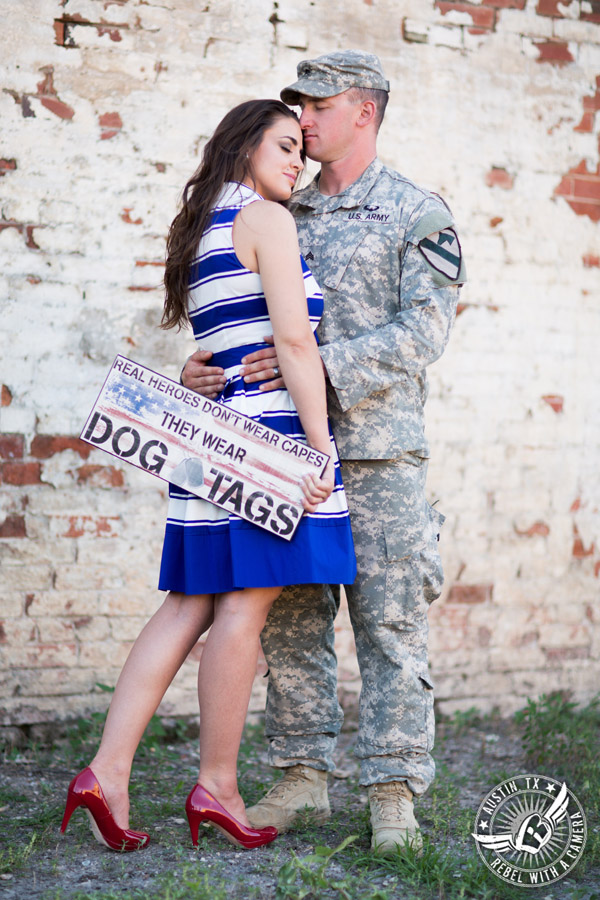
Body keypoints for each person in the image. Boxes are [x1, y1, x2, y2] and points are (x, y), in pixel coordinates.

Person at [181, 51, 466, 856]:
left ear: (364, 111)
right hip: (279, 453)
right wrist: (208, 370)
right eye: (296, 106)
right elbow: (241, 312)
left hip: (376, 454)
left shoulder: (417, 211)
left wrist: (320, 359)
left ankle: (392, 790)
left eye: (319, 104)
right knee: (292, 624)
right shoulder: (281, 206)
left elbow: (426, 332)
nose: (303, 120)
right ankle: (302, 774)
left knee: (390, 622)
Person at [60, 99, 356, 853]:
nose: (297, 161)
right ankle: (218, 786)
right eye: (285, 146)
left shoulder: (200, 229)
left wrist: (201, 373)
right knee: (240, 612)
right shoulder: (266, 219)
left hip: (209, 438)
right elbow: (291, 338)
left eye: (303, 151)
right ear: (244, 144)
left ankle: (106, 772)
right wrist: (320, 449)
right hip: (266, 439)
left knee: (187, 604)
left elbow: (219, 342)